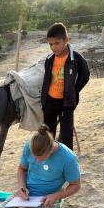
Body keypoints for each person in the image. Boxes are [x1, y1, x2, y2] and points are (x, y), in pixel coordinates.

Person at [41, 22, 90, 150]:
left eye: (56, 43)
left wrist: (73, 91)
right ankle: (50, 159)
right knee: (48, 133)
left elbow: (85, 76)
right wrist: (44, 98)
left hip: (66, 103)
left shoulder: (76, 59)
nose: (53, 47)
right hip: (50, 101)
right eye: (50, 44)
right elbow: (47, 79)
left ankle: (68, 163)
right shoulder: (49, 59)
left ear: (66, 40)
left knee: (67, 136)